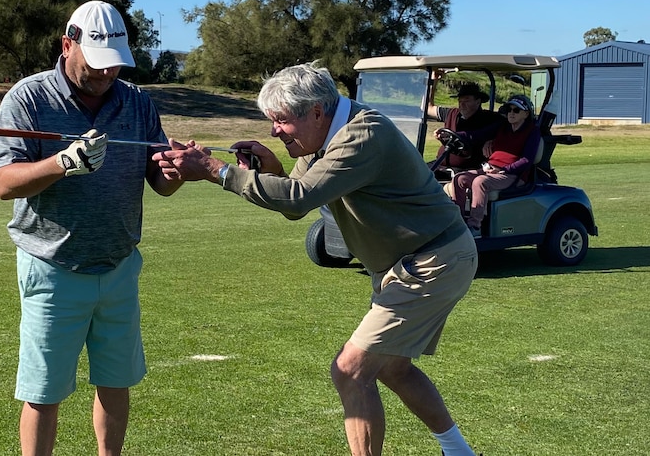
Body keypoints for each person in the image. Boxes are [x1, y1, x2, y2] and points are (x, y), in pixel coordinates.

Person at [154, 63, 480, 456]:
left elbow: (299, 197)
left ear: (315, 112)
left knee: (351, 371)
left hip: (432, 262)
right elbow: (296, 202)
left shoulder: (362, 134)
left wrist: (213, 169)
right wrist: (271, 168)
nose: (273, 130)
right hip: (413, 263)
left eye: (280, 121)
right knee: (392, 369)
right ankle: (459, 451)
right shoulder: (320, 138)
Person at [0, 0, 183, 456]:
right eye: (96, 65)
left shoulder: (137, 102)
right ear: (67, 45)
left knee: (116, 382)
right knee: (44, 391)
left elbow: (158, 180)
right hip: (52, 267)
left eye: (114, 66)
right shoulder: (28, 98)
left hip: (118, 265)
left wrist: (171, 175)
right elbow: (3, 183)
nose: (105, 75)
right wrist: (62, 163)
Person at [449, 94, 541, 236]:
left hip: (513, 175)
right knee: (459, 179)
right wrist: (456, 135)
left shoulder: (532, 131)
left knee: (480, 182)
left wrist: (505, 170)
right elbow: (478, 134)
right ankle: (458, 222)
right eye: (509, 109)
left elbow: (526, 160)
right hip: (491, 170)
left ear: (526, 113)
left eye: (516, 110)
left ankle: (475, 226)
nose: (511, 113)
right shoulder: (503, 126)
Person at [427, 75, 506, 169]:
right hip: (441, 164)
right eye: (460, 101)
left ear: (478, 101)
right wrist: (433, 81)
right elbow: (428, 108)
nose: (462, 104)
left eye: (466, 100)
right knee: (415, 173)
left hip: (467, 169)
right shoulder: (452, 113)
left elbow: (508, 128)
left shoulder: (490, 118)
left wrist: (493, 141)